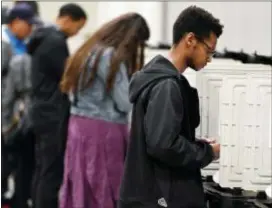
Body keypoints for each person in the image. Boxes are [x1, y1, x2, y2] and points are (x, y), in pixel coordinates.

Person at [118, 6, 224, 208]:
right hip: (159, 196)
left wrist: (198, 144)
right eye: (208, 50)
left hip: (148, 193)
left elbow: (162, 137)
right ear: (190, 39)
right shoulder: (167, 85)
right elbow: (163, 146)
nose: (209, 59)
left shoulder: (158, 78)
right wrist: (209, 152)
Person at [58, 12, 150, 208]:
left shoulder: (86, 50)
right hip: (104, 130)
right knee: (104, 185)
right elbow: (125, 102)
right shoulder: (108, 56)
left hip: (77, 126)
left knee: (81, 182)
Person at [26, 3, 87, 208]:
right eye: (78, 28)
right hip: (53, 114)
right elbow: (67, 78)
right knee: (51, 171)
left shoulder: (41, 37)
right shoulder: (54, 41)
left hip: (40, 110)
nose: (76, 33)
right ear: (68, 19)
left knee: (42, 168)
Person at [1, 4, 37, 207]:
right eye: (28, 24)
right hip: (6, 110)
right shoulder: (3, 43)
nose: (30, 28)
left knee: (18, 160)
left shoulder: (24, 42)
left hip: (20, 112)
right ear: (15, 22)